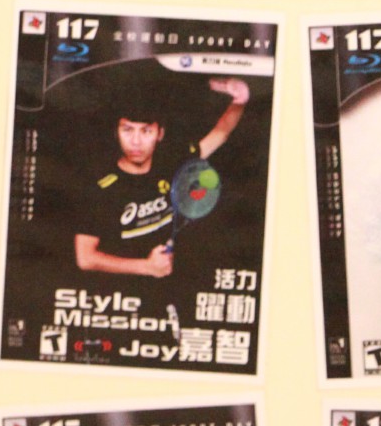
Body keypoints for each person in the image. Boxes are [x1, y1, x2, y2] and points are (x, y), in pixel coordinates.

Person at [71, 78, 249, 279]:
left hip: (169, 281)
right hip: (118, 288)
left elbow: (221, 133)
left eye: (146, 131)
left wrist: (239, 102)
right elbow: (85, 258)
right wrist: (146, 266)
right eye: (127, 130)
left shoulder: (171, 162)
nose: (136, 141)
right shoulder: (99, 186)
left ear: (159, 134)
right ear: (116, 132)